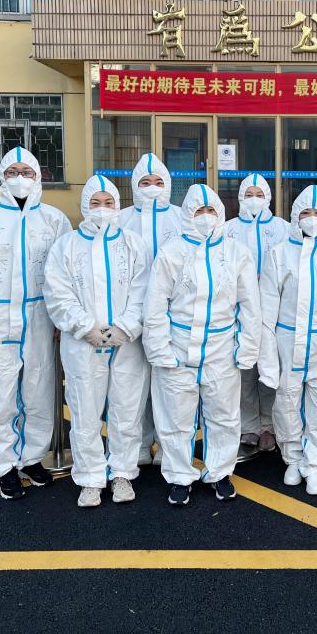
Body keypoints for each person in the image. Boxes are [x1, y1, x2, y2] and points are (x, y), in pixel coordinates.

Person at [0, 147, 72, 500]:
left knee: (39, 390)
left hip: (39, 316)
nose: (20, 179)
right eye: (12, 172)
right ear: (2, 177)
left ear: (38, 177)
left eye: (27, 172)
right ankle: (2, 465)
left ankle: (32, 458)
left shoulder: (54, 219)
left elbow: (66, 272)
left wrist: (60, 318)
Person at [143, 184, 261, 506]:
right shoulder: (171, 252)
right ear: (187, 214)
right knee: (176, 417)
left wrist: (247, 347)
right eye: (199, 211)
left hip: (221, 348)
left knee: (223, 415)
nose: (205, 217)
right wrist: (160, 348)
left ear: (220, 214)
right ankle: (179, 476)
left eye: (211, 211)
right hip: (178, 347)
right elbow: (156, 304)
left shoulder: (236, 253)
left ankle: (220, 472)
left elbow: (250, 305)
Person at [44, 176, 148, 508]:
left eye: (108, 203)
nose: (102, 209)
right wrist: (85, 326)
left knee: (126, 409)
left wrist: (126, 327)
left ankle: (122, 473)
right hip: (82, 344)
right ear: (84, 206)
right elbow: (57, 292)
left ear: (117, 205)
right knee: (84, 411)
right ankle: (90, 478)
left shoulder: (133, 244)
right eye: (95, 203)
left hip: (127, 344)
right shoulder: (66, 246)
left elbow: (144, 290)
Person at [259, 185, 317, 495]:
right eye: (305, 213)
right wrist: (267, 354)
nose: (312, 219)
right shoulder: (279, 253)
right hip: (288, 338)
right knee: (287, 398)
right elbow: (267, 306)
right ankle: (293, 457)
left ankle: (315, 463)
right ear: (295, 217)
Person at [118, 153, 183, 468]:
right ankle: (140, 445)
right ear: (135, 185)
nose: (152, 188)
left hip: (174, 316)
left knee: (171, 385)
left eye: (158, 182)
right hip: (129, 314)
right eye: (145, 182)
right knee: (132, 386)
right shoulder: (120, 219)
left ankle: (169, 447)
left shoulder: (182, 218)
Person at [224, 173, 289, 457]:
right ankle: (249, 424)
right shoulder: (228, 229)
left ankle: (270, 426)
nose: (254, 200)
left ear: (268, 197)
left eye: (259, 195)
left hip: (274, 311)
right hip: (239, 311)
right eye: (249, 194)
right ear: (241, 197)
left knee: (271, 368)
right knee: (245, 369)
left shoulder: (283, 228)